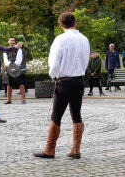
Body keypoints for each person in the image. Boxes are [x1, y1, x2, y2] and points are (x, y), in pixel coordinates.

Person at [33, 12, 90, 159]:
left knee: (56, 115)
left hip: (64, 81)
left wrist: (54, 76)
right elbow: (85, 59)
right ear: (75, 22)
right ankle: (76, 149)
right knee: (76, 114)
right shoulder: (84, 39)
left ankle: (49, 149)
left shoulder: (60, 39)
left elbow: (53, 64)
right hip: (79, 80)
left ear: (61, 25)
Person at [4, 36, 26, 104]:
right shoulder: (6, 50)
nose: (12, 41)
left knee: (20, 83)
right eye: (11, 40)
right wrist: (10, 65)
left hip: (17, 68)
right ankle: (9, 99)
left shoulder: (18, 49)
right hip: (9, 68)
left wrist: (15, 66)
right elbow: (5, 60)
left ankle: (23, 99)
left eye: (13, 40)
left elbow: (19, 59)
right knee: (10, 83)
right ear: (8, 41)